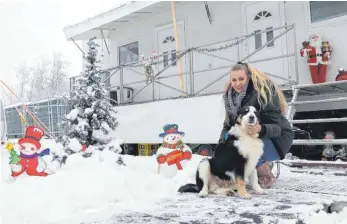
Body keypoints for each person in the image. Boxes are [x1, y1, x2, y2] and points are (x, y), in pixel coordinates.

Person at [219, 62, 294, 189]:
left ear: (248, 77)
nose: (237, 83)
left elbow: (277, 128)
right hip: (252, 137)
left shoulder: (263, 91)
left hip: (277, 139)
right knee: (229, 139)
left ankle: (265, 173)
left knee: (244, 142)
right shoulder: (229, 98)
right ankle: (255, 167)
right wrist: (222, 143)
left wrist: (260, 128)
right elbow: (227, 125)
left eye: (241, 79)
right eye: (234, 80)